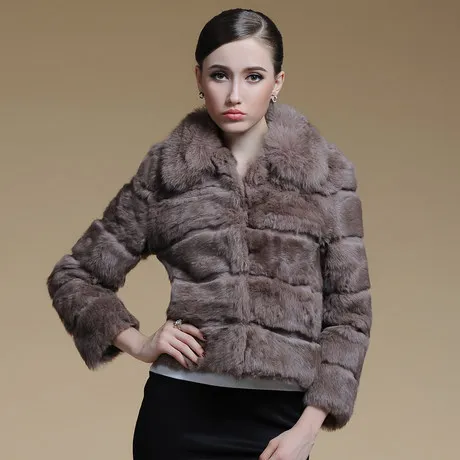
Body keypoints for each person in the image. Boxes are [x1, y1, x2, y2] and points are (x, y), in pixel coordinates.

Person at [46, 8, 372, 460]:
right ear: (199, 78)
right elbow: (75, 276)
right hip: (178, 417)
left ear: (278, 82)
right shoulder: (167, 172)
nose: (234, 94)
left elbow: (349, 314)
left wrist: (309, 426)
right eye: (220, 75)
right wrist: (138, 343)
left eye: (253, 77)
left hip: (278, 423)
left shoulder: (326, 175)